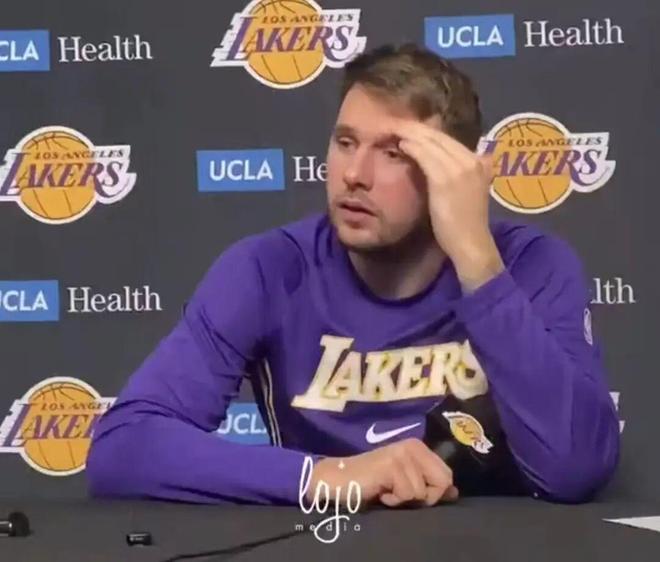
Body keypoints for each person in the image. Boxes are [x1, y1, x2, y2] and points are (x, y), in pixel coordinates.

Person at [86, 43, 620, 508]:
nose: (355, 175)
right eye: (345, 143)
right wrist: (327, 476)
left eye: (392, 153)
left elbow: (574, 469)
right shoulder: (269, 270)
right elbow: (124, 447)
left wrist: (479, 264)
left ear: (453, 172)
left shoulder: (530, 266)